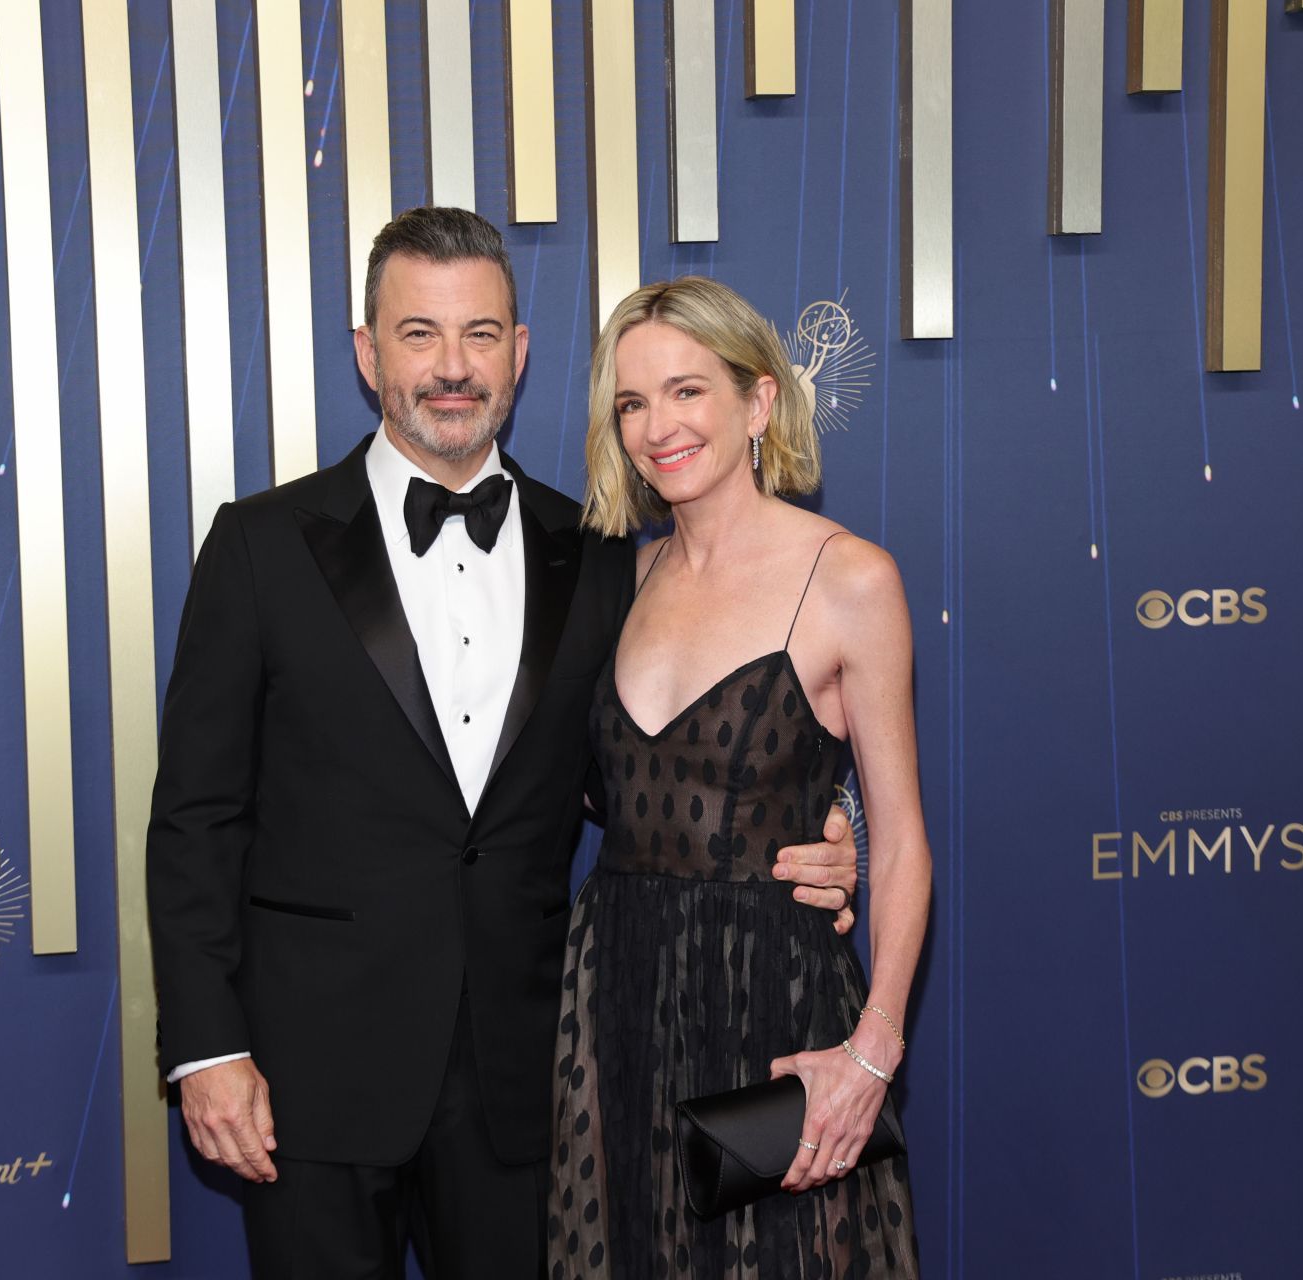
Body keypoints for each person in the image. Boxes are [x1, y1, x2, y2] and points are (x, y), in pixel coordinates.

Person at [144, 208, 861, 1279]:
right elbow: (197, 818)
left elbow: (651, 763)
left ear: (519, 355)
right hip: (310, 1076)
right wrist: (208, 1047)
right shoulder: (260, 544)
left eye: (480, 334)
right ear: (365, 350)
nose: (450, 367)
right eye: (418, 333)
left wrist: (814, 826)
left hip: (535, 1074)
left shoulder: (605, 554)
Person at [548, 276, 929, 1277]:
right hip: (620, 995)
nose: (656, 425)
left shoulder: (851, 578)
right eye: (630, 402)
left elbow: (900, 837)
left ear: (758, 401)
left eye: (686, 391)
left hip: (775, 1001)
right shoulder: (614, 583)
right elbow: (606, 785)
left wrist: (872, 1051)